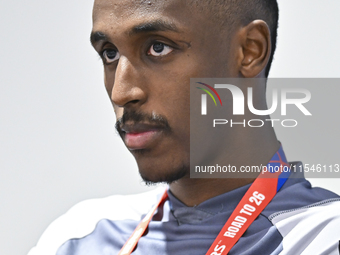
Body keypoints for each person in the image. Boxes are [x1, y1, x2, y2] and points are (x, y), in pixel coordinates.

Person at [28, 0, 340, 254]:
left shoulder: (324, 237)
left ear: (249, 50)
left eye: (158, 47)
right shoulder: (76, 236)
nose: (121, 92)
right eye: (110, 53)